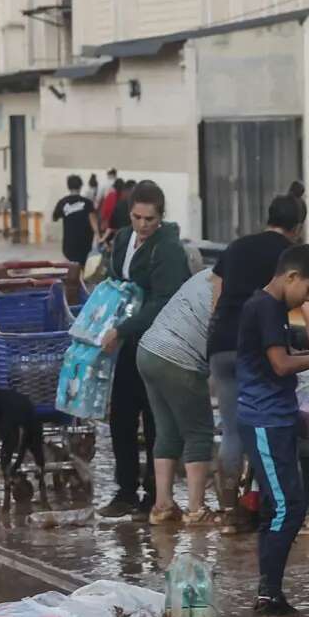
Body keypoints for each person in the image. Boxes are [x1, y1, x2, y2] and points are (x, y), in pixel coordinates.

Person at [237, 244, 309, 617]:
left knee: (279, 507)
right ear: (291, 277)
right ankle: (269, 601)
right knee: (289, 508)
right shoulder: (264, 307)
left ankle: (274, 598)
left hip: (277, 417)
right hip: (264, 419)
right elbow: (281, 364)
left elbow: (282, 354)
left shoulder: (273, 309)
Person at [207, 194, 305, 524]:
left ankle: (228, 511)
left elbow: (216, 292)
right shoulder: (288, 256)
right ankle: (270, 505)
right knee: (266, 426)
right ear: (298, 227)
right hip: (258, 347)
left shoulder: (236, 247)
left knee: (232, 430)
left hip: (220, 344)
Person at [98, 181, 190, 519]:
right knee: (120, 415)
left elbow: (164, 300)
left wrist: (123, 328)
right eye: (137, 217)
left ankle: (155, 492)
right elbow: (112, 281)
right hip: (124, 343)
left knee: (155, 419)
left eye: (149, 219)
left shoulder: (168, 249)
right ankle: (125, 489)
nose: (142, 225)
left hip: (155, 343)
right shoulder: (123, 239)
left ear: (160, 217)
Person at [136, 269, 218, 526]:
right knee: (199, 431)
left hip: (148, 350)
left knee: (167, 430)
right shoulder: (239, 285)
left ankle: (162, 505)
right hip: (180, 359)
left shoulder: (206, 275)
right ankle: (196, 509)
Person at [52, 174, 97, 266]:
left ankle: (73, 279)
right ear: (80, 186)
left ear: (68, 186)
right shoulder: (87, 202)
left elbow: (55, 218)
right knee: (83, 266)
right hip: (85, 242)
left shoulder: (62, 202)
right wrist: (98, 236)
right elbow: (93, 222)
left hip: (69, 243)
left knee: (72, 267)